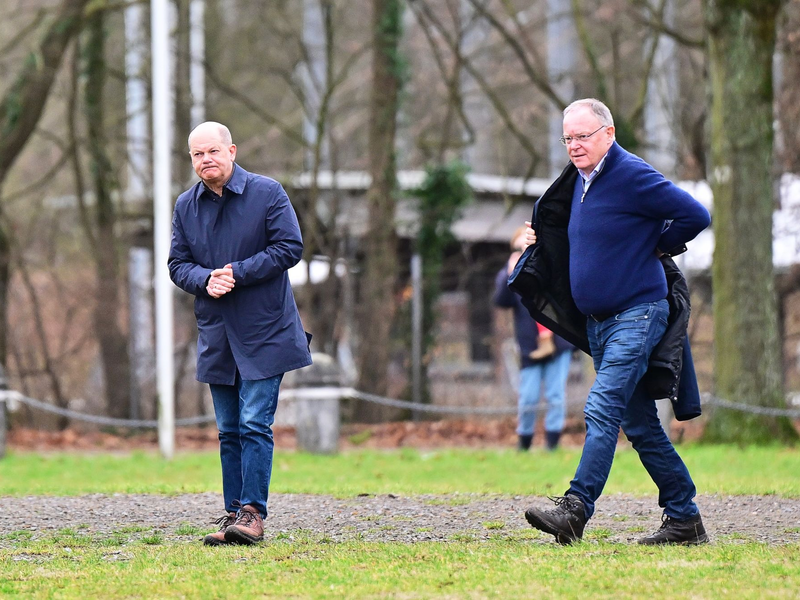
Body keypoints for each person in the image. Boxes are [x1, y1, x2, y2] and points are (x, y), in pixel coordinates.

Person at [510, 99, 711, 545]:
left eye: (583, 136)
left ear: (608, 133)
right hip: (600, 323)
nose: (574, 146)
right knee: (639, 426)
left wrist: (658, 247)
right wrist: (538, 239)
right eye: (568, 138)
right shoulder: (579, 182)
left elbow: (696, 215)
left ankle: (575, 507)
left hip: (638, 314)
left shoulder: (631, 173)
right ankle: (685, 519)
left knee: (601, 407)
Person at [169, 121, 312, 546]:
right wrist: (203, 279)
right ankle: (233, 514)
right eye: (197, 154)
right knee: (228, 429)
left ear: (231, 151)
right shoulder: (185, 205)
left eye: (212, 151)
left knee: (254, 423)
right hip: (216, 333)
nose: (205, 160)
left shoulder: (268, 193)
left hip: (266, 329)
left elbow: (290, 247)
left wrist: (236, 273)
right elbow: (177, 264)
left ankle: (252, 514)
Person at [494, 226, 573, 451]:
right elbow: (501, 301)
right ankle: (524, 442)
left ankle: (552, 444)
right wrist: (509, 276)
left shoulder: (552, 262)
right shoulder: (511, 270)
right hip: (530, 346)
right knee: (528, 399)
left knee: (556, 395)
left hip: (558, 343)